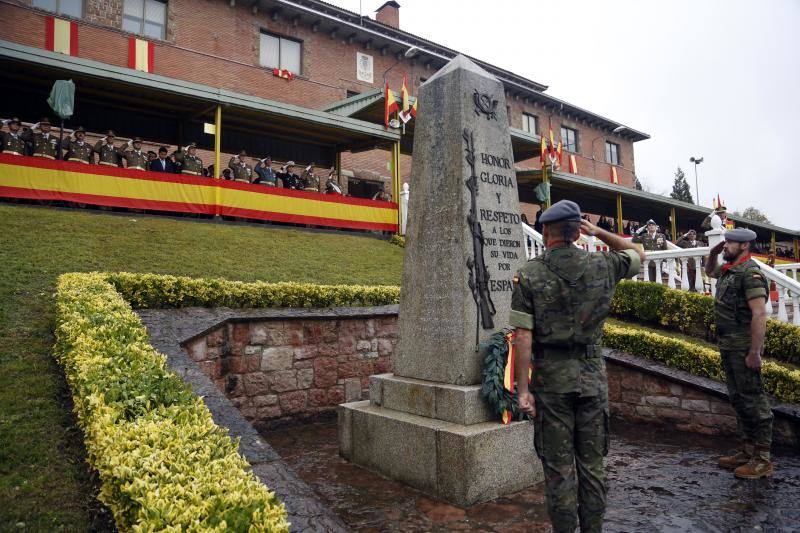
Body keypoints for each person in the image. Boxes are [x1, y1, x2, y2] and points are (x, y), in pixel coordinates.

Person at [510, 200, 644, 533]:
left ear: (545, 231)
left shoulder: (530, 273)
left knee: (558, 470)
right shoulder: (603, 264)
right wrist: (599, 231)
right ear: (577, 231)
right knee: (593, 467)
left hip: (552, 382)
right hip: (592, 379)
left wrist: (523, 390)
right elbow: (639, 253)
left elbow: (523, 336)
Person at [704, 228, 772, 479]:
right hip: (729, 344)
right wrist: (712, 254)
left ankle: (763, 459)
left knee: (754, 400)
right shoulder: (730, 269)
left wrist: (755, 352)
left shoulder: (750, 273)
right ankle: (747, 451)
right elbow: (710, 272)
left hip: (743, 345)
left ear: (745, 246)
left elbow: (760, 314)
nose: (726, 245)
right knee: (738, 398)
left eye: (730, 242)